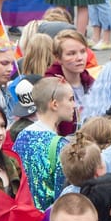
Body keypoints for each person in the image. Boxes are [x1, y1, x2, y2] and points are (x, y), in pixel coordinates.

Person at [12, 76, 77, 210]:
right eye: (70, 99)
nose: (74, 105)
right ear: (54, 104)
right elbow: (63, 194)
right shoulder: (60, 146)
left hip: (26, 217)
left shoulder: (22, 137)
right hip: (49, 220)